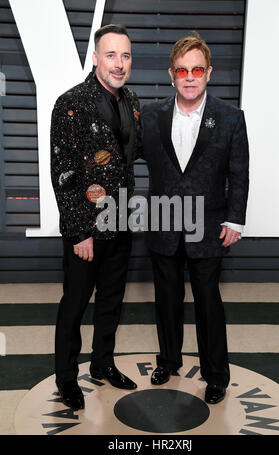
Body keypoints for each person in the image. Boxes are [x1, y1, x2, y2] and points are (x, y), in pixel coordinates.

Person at [140, 33, 249, 404]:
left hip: (208, 227)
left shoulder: (231, 118)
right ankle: (168, 361)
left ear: (209, 73)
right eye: (182, 70)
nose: (190, 76)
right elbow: (123, 158)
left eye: (197, 69)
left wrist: (235, 220)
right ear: (172, 74)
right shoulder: (151, 116)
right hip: (163, 225)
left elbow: (239, 172)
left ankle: (215, 375)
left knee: (208, 303)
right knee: (166, 300)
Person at [50, 24, 140, 410]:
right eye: (111, 55)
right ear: (95, 58)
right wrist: (78, 232)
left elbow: (128, 160)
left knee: (111, 302)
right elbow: (64, 173)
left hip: (121, 223)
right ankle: (67, 378)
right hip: (86, 230)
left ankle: (103, 364)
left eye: (125, 56)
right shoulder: (70, 104)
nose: (119, 64)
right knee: (75, 304)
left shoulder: (131, 100)